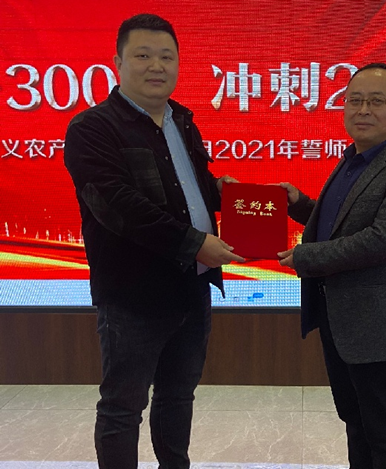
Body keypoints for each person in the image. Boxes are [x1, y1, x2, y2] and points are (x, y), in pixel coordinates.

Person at [64, 13, 244, 469]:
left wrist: (221, 193)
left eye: (167, 56)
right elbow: (118, 206)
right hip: (133, 294)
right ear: (118, 62)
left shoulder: (182, 119)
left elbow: (185, 188)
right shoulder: (92, 128)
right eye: (143, 55)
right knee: (123, 406)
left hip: (192, 286)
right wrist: (194, 243)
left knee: (178, 396)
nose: (156, 66)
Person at [278, 63, 386, 468]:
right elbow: (342, 224)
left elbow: (381, 241)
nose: (364, 109)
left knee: (383, 432)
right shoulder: (353, 159)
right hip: (341, 319)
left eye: (377, 101)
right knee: (355, 421)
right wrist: (299, 205)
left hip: (377, 325)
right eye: (355, 100)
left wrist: (305, 257)